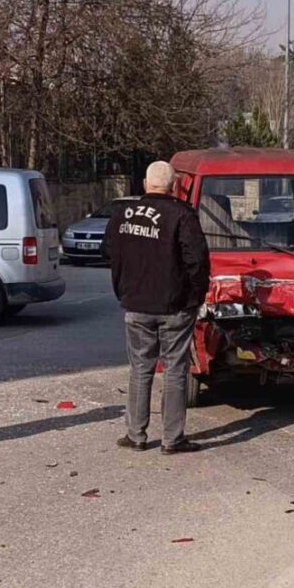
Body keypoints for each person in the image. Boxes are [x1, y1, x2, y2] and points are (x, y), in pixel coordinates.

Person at [104, 161, 210, 454]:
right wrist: (197, 296)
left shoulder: (121, 213)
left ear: (144, 185)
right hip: (175, 306)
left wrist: (125, 285)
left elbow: (108, 252)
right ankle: (172, 439)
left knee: (140, 368)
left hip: (136, 303)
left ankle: (135, 434)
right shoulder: (182, 215)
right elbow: (197, 262)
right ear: (174, 185)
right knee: (176, 369)